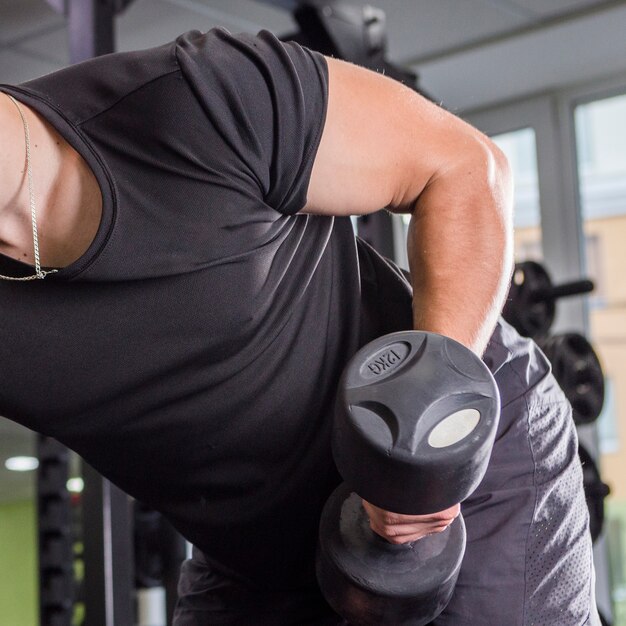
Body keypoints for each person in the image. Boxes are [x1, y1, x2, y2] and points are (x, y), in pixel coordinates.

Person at [0, 28, 599, 625]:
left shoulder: (199, 100)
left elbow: (466, 169)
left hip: (465, 453)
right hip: (255, 560)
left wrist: (424, 449)